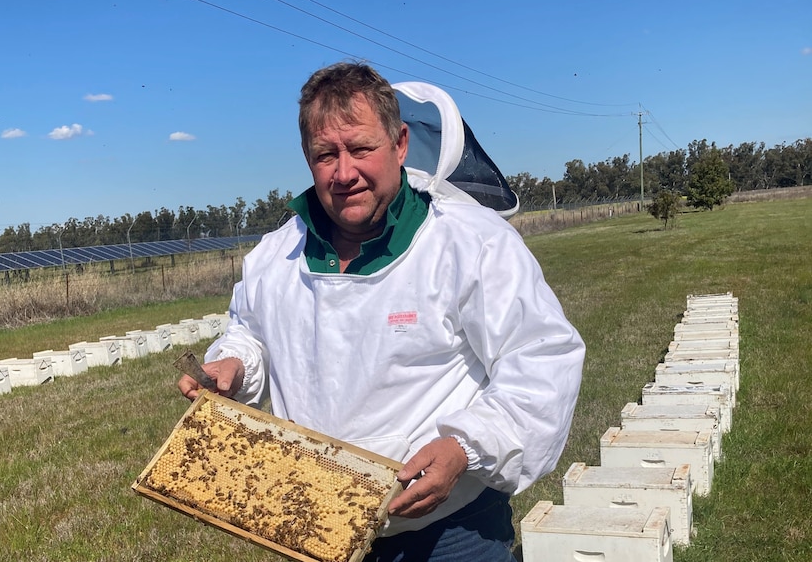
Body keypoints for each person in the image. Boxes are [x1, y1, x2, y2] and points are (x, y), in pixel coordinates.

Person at [178, 61, 585, 562]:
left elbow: (542, 360)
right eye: (325, 155)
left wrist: (465, 449)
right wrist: (235, 366)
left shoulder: (472, 243)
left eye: (361, 148)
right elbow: (250, 332)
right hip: (315, 522)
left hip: (450, 532)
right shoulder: (273, 256)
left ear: (400, 144)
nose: (344, 172)